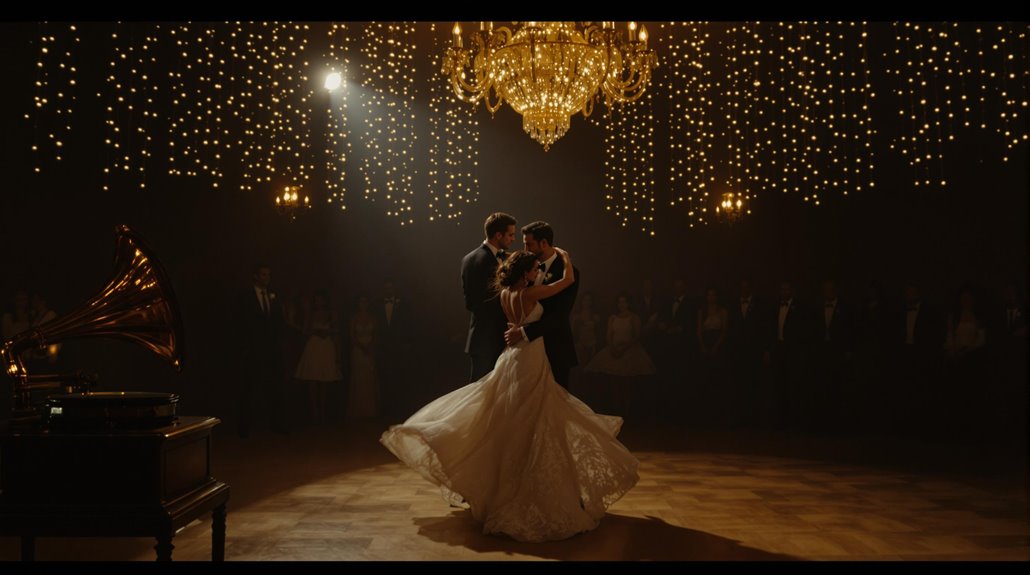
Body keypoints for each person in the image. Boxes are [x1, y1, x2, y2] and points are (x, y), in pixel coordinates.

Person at [381, 249, 638, 543]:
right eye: (533, 269)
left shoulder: (505, 294)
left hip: (513, 355)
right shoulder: (530, 295)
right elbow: (565, 282)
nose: (537, 272)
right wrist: (565, 258)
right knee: (532, 419)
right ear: (525, 272)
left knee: (516, 418)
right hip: (528, 357)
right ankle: (528, 491)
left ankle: (513, 487)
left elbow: (518, 320)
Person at [504, 221, 579, 390]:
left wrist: (522, 332)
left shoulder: (569, 270)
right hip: (526, 352)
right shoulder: (524, 269)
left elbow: (560, 316)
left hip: (555, 348)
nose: (525, 248)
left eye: (528, 244)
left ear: (544, 243)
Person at [461, 212, 517, 382]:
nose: (513, 239)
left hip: (485, 337)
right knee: (480, 393)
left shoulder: (470, 257)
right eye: (511, 235)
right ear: (498, 235)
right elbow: (478, 302)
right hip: (488, 338)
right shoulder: (483, 260)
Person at [238, 263, 288, 438]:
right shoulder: (246, 297)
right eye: (263, 274)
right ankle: (245, 427)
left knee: (275, 387)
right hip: (253, 350)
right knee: (249, 388)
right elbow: (242, 323)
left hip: (273, 350)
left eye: (269, 275)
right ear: (256, 276)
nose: (267, 278)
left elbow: (279, 322)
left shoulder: (274, 297)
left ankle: (276, 424)